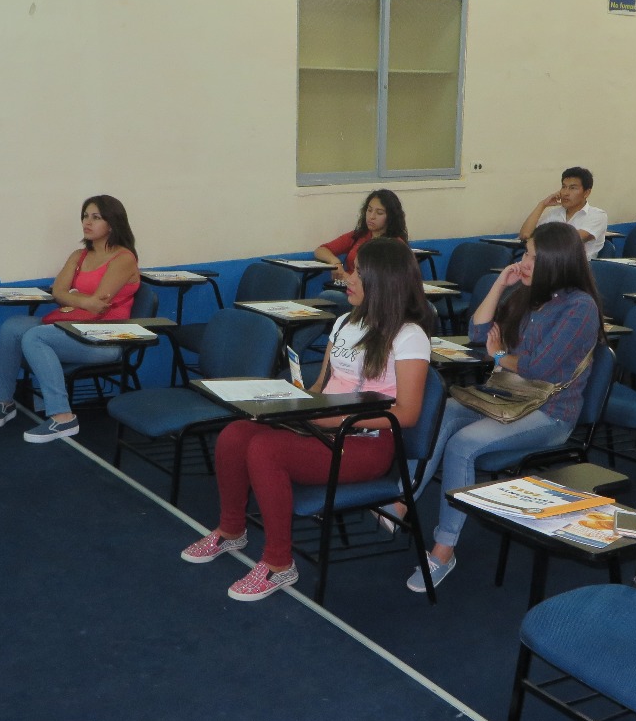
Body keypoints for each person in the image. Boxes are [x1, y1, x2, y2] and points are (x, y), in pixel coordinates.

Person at [180, 238, 434, 602]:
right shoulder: (346, 321)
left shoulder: (409, 337)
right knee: (235, 434)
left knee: (267, 450)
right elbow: (321, 385)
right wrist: (292, 405)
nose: (347, 278)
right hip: (325, 424)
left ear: (382, 281)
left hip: (366, 444)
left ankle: (279, 563)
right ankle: (231, 529)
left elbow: (407, 414)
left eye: (358, 273)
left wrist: (334, 420)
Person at [405, 222, 604, 592]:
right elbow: (479, 332)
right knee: (444, 411)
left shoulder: (580, 308)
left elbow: (536, 367)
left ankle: (443, 549)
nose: (523, 261)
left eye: (531, 255)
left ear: (555, 262)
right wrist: (501, 283)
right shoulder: (534, 295)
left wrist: (501, 355)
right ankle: (403, 500)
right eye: (525, 253)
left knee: (463, 444)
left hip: (550, 413)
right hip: (509, 398)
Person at [0, 196, 140, 444]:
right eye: (85, 216)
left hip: (104, 338)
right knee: (12, 326)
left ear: (112, 223)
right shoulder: (79, 255)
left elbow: (99, 303)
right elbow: (58, 292)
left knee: (36, 337)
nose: (87, 222)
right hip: (73, 324)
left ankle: (63, 417)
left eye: (96, 217)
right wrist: (81, 300)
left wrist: (74, 297)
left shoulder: (124, 259)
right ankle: (4, 401)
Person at [313, 188, 409, 283]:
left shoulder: (395, 245)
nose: (372, 216)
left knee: (329, 296)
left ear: (391, 217)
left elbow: (384, 281)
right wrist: (335, 262)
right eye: (369, 210)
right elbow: (320, 250)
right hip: (347, 288)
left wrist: (349, 279)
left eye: (379, 213)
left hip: (370, 293)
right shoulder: (359, 235)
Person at [519, 167, 607, 259]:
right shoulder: (554, 213)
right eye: (564, 187)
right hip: (546, 265)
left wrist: (540, 238)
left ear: (586, 193)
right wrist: (542, 205)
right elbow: (525, 235)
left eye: (572, 188)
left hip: (579, 268)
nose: (565, 193)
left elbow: (569, 240)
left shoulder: (597, 215)